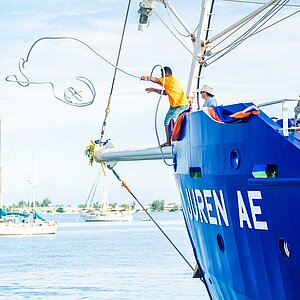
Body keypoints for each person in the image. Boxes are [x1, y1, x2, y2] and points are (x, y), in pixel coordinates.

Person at [140, 66, 190, 147]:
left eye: (162, 74)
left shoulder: (169, 79)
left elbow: (156, 80)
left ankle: (168, 142)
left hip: (179, 105)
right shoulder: (172, 81)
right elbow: (165, 93)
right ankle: (174, 139)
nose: (161, 77)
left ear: (166, 73)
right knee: (175, 121)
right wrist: (154, 90)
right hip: (180, 104)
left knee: (167, 121)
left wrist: (146, 77)